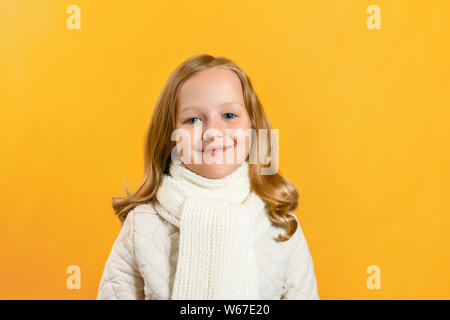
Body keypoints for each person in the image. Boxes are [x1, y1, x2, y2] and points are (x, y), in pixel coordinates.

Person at [96, 54, 320, 300]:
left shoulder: (281, 224)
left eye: (229, 116)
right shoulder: (142, 225)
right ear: (170, 134)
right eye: (193, 119)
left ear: (253, 128)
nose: (213, 131)